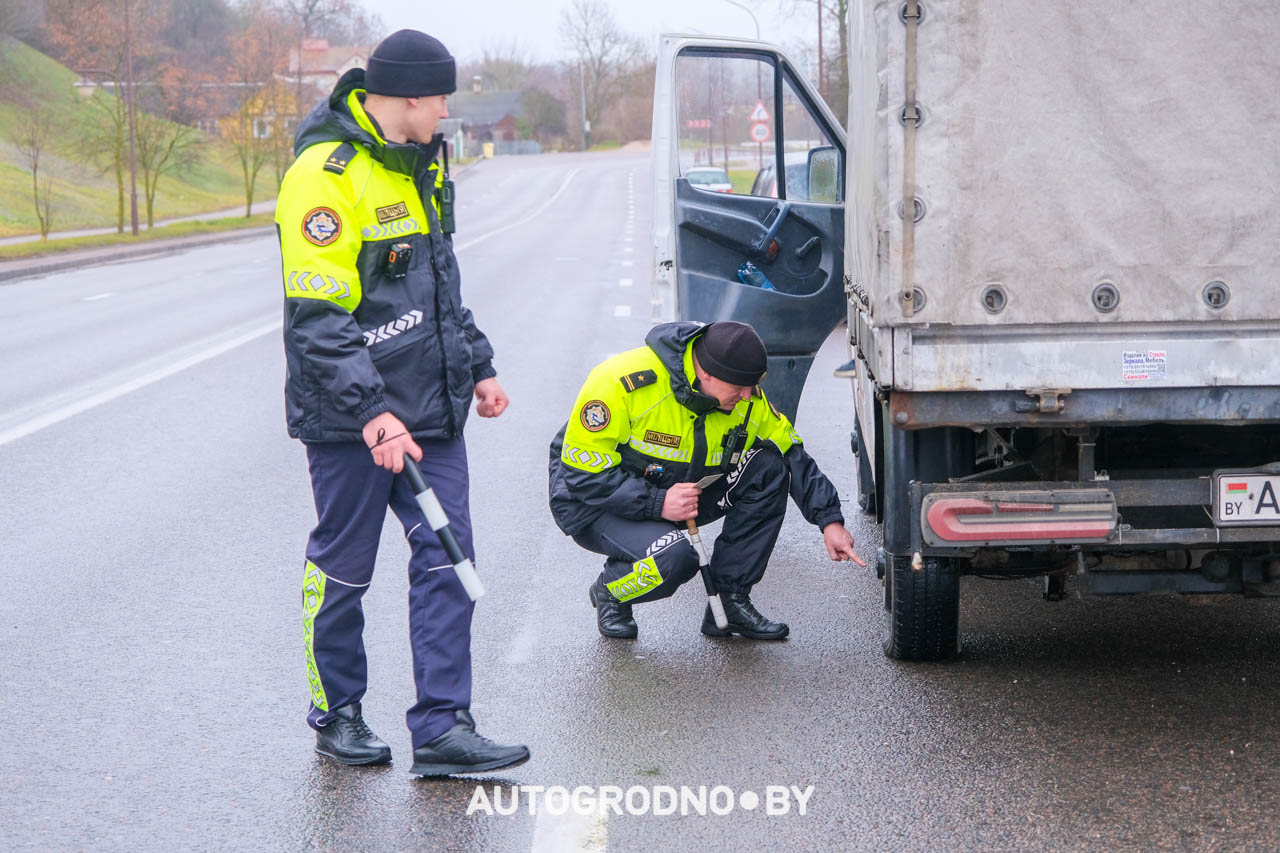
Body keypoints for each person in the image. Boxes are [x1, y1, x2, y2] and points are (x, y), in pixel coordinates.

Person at [276, 29, 528, 776]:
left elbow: (440, 284)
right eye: (441, 97)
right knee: (344, 570)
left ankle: (444, 727)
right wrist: (370, 412)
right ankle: (337, 714)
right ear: (411, 96)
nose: (447, 111)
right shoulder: (324, 176)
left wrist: (479, 364)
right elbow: (318, 319)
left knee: (449, 559)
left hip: (431, 416)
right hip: (351, 419)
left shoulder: (421, 166)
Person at [548, 321, 865, 640]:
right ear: (707, 373)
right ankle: (611, 592)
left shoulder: (745, 399)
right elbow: (582, 475)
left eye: (751, 385)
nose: (746, 395)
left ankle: (730, 603)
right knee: (674, 559)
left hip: (680, 492)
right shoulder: (621, 383)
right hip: (592, 501)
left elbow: (791, 452)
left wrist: (829, 520)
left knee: (768, 468)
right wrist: (659, 503)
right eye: (739, 386)